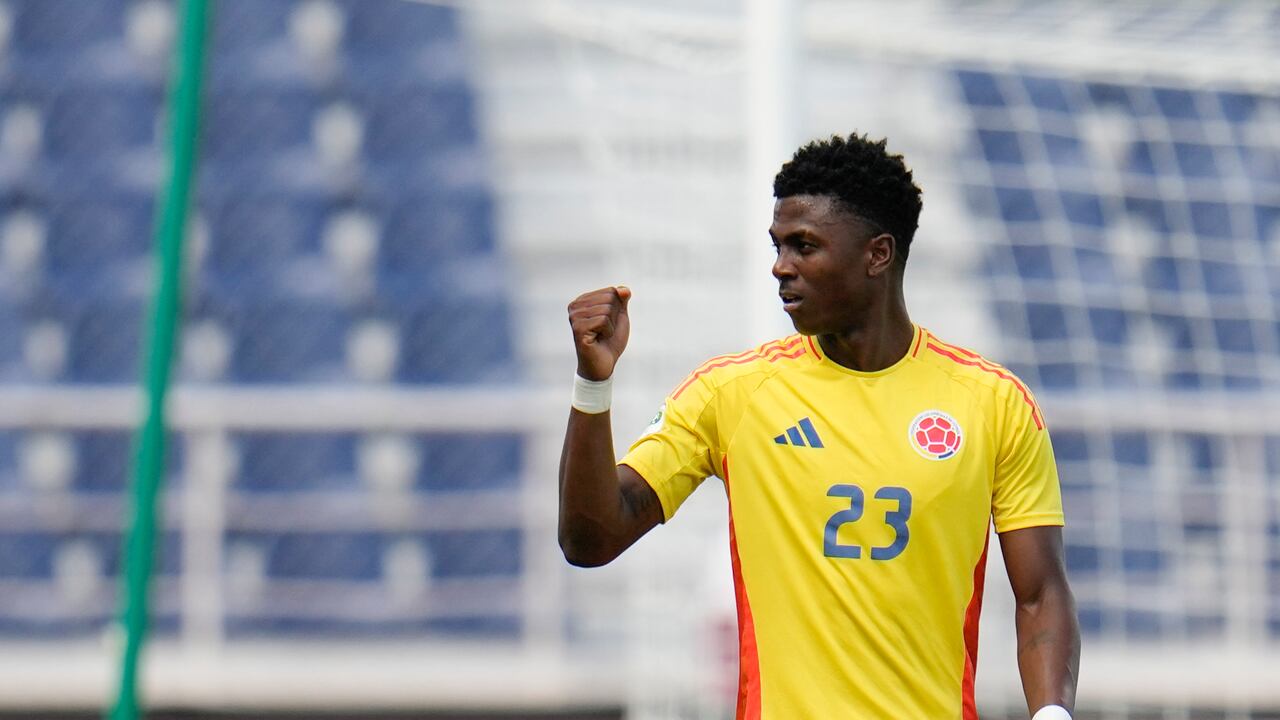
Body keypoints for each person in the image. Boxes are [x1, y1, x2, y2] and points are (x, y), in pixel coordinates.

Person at [559, 133, 1080, 719]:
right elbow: (591, 540)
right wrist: (593, 384)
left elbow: (1040, 593)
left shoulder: (994, 404)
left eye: (804, 246)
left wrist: (1052, 715)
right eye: (777, 245)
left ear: (877, 255)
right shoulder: (732, 393)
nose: (780, 267)